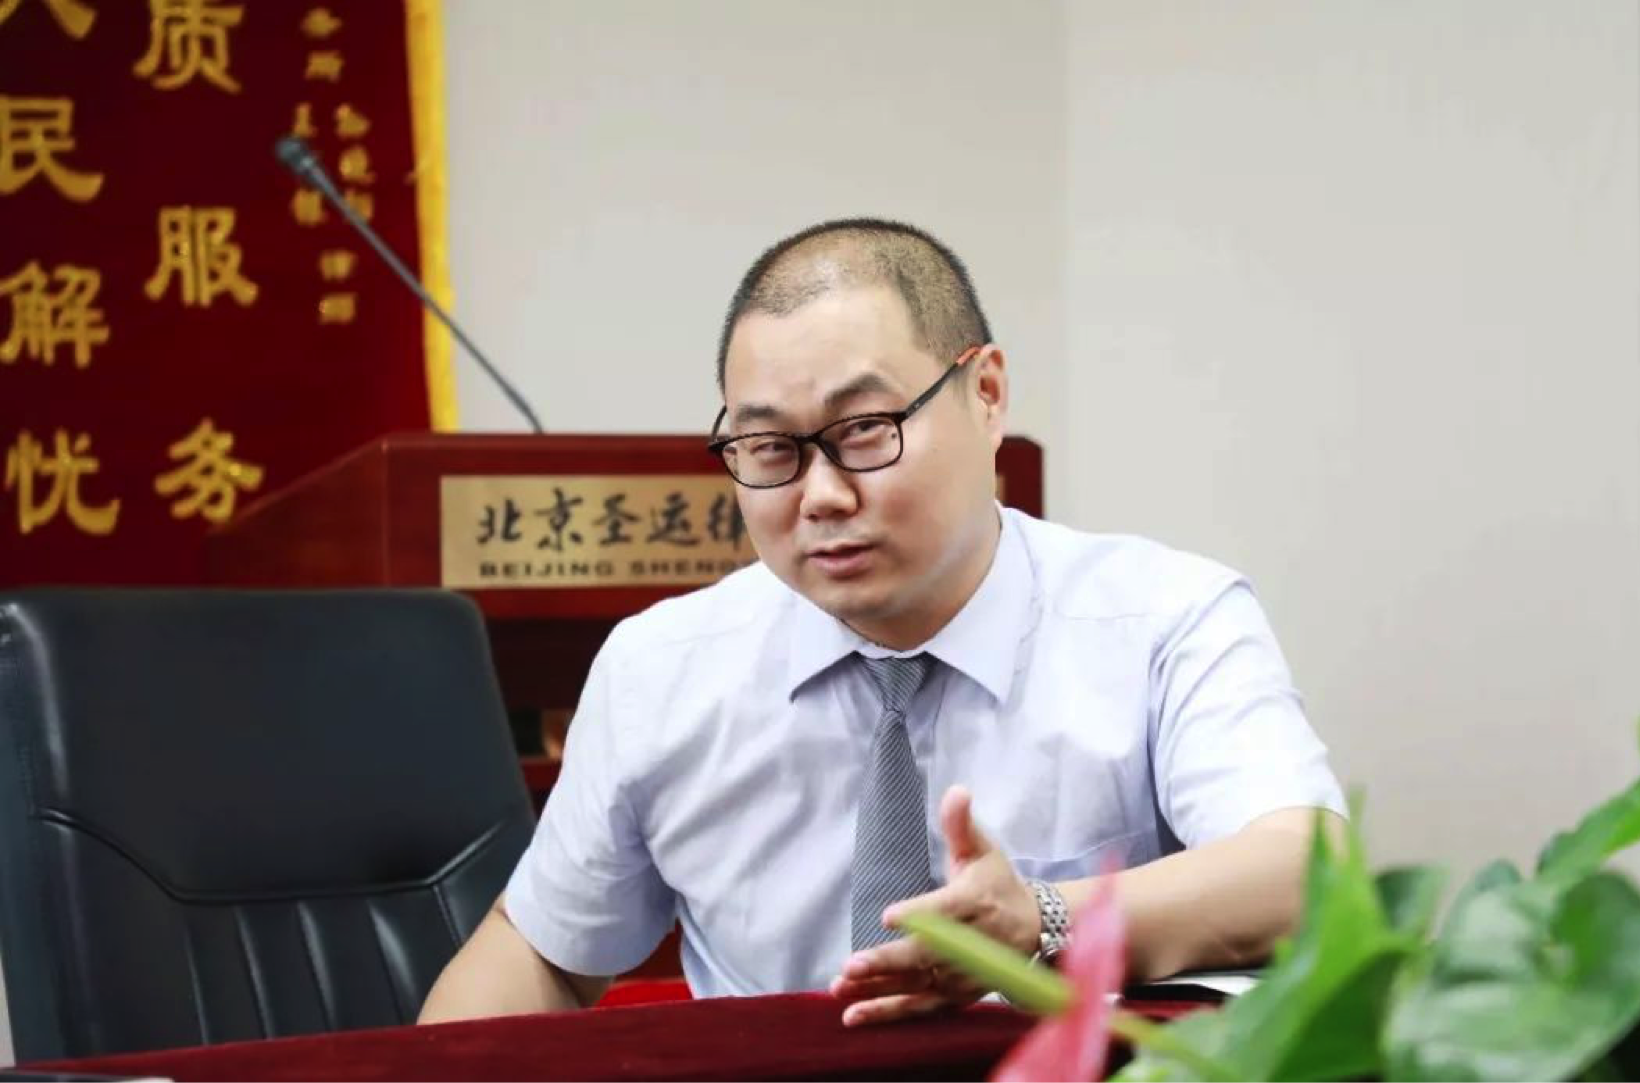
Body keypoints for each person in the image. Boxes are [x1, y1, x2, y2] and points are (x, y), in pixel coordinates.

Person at [419, 218, 1345, 1028]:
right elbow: (544, 953)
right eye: (769, 447)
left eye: (864, 429)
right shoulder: (659, 667)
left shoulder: (1164, 620)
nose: (820, 495)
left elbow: (1304, 869)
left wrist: (1045, 918)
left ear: (986, 394)